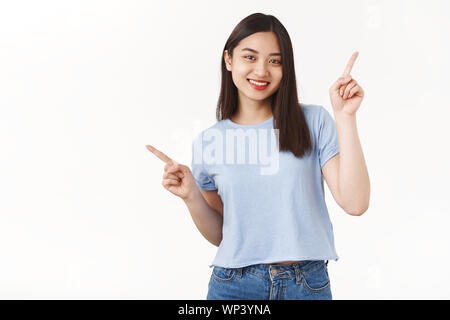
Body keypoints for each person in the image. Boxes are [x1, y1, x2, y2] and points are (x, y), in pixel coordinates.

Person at [146, 13, 370, 300]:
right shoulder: (209, 142)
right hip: (233, 286)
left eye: (275, 61)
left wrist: (345, 117)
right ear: (229, 60)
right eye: (249, 57)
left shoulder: (314, 121)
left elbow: (356, 203)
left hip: (307, 285)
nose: (262, 71)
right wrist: (191, 194)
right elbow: (225, 237)